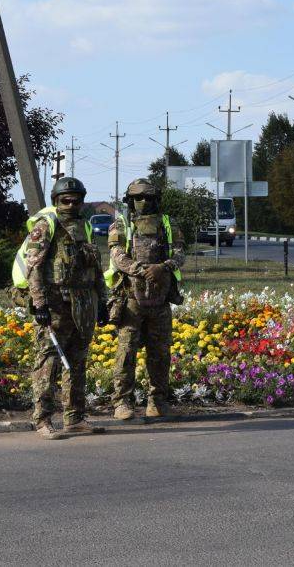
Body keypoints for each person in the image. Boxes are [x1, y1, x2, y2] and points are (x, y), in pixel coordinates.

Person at [20, 177, 109, 439]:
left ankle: (75, 418)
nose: (71, 204)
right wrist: (40, 305)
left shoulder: (85, 226)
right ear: (56, 201)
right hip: (56, 304)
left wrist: (102, 302)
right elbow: (33, 267)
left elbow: (96, 268)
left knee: (77, 362)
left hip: (83, 304)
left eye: (76, 200)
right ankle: (43, 419)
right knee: (48, 362)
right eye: (65, 200)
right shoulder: (46, 225)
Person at [105, 178, 185, 421]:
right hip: (131, 300)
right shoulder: (121, 225)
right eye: (138, 198)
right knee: (126, 353)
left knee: (160, 354)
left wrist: (163, 267)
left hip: (160, 301)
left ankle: (157, 401)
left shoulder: (168, 224)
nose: (143, 202)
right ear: (130, 200)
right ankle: (122, 403)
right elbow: (118, 256)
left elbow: (180, 253)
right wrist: (143, 270)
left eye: (148, 198)